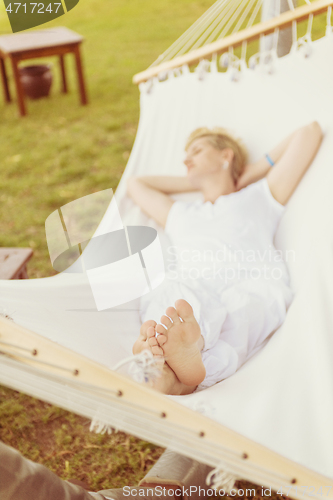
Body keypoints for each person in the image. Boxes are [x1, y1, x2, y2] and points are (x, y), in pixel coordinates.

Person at [127, 122, 323, 395]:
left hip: (247, 283)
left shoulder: (259, 197)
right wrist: (196, 179)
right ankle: (167, 369)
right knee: (173, 295)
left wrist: (251, 171)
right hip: (194, 285)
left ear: (225, 155)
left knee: (240, 314)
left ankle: (181, 354)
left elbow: (309, 132)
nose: (186, 159)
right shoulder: (181, 213)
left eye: (196, 151)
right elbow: (136, 184)